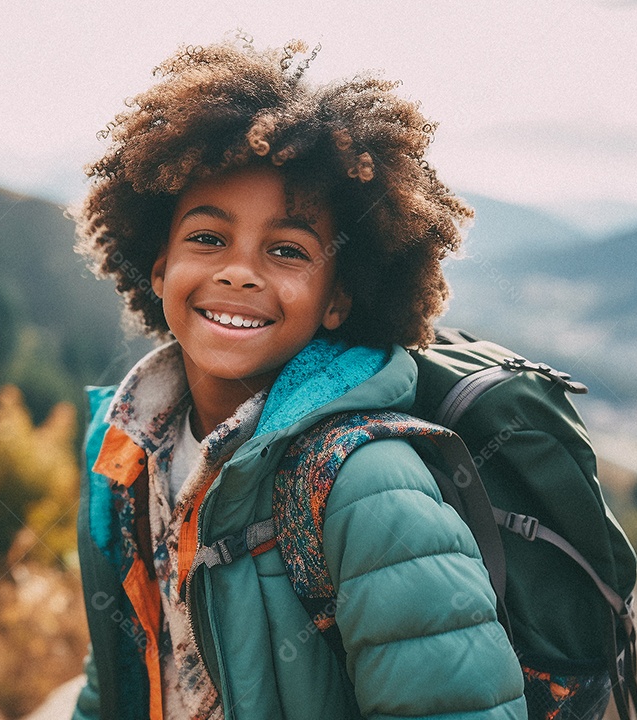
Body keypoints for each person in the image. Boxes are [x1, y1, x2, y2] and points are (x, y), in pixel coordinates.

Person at [70, 37, 526, 720]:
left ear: (338, 297)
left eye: (286, 250)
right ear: (158, 265)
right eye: (207, 238)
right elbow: (120, 674)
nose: (239, 272)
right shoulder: (125, 451)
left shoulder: (367, 487)